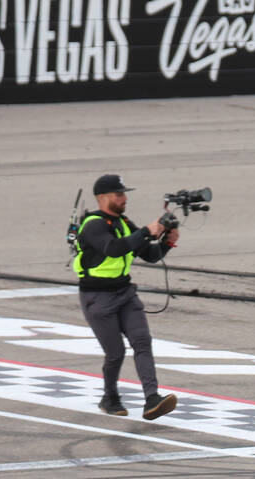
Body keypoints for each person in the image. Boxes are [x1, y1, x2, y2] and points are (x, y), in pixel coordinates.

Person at [72, 174, 178, 420]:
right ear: (103, 197)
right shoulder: (94, 225)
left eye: (124, 193)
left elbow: (149, 255)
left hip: (125, 293)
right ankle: (110, 396)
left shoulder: (124, 222)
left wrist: (167, 243)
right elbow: (113, 248)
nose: (124, 198)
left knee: (142, 342)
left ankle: (152, 399)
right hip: (97, 298)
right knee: (116, 352)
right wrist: (146, 231)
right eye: (119, 194)